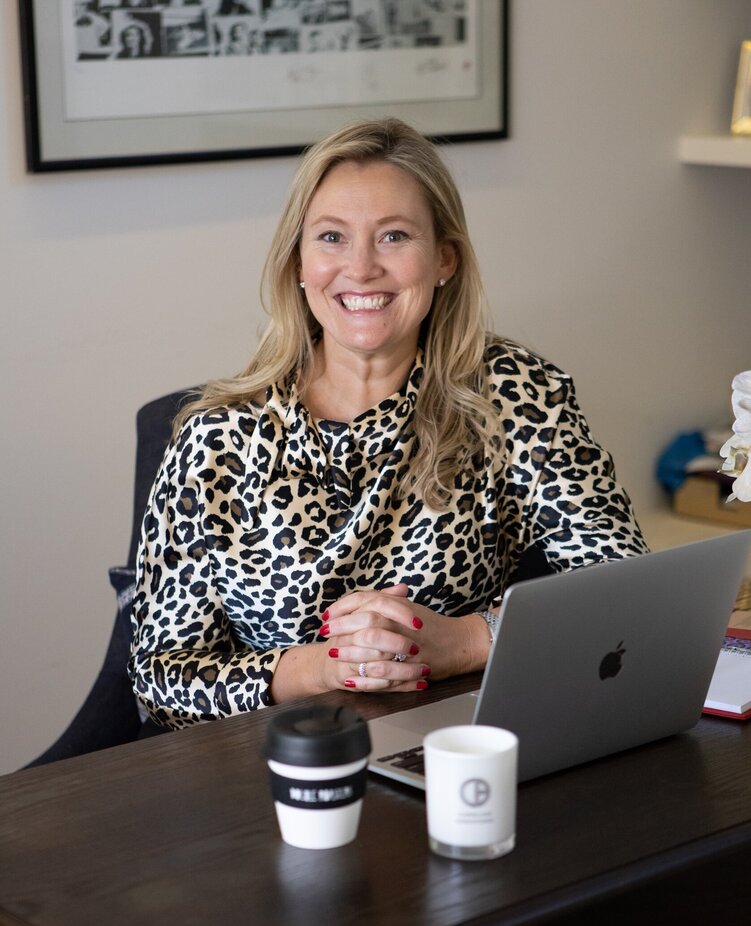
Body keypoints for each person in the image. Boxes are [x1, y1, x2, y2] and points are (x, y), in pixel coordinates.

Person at [130, 117, 648, 729]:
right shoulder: (217, 437)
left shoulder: (513, 392)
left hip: (460, 745)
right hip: (280, 760)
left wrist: (465, 642)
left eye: (394, 236)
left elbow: (626, 590)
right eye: (331, 237)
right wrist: (327, 667)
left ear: (445, 259)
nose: (361, 268)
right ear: (298, 262)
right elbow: (161, 678)